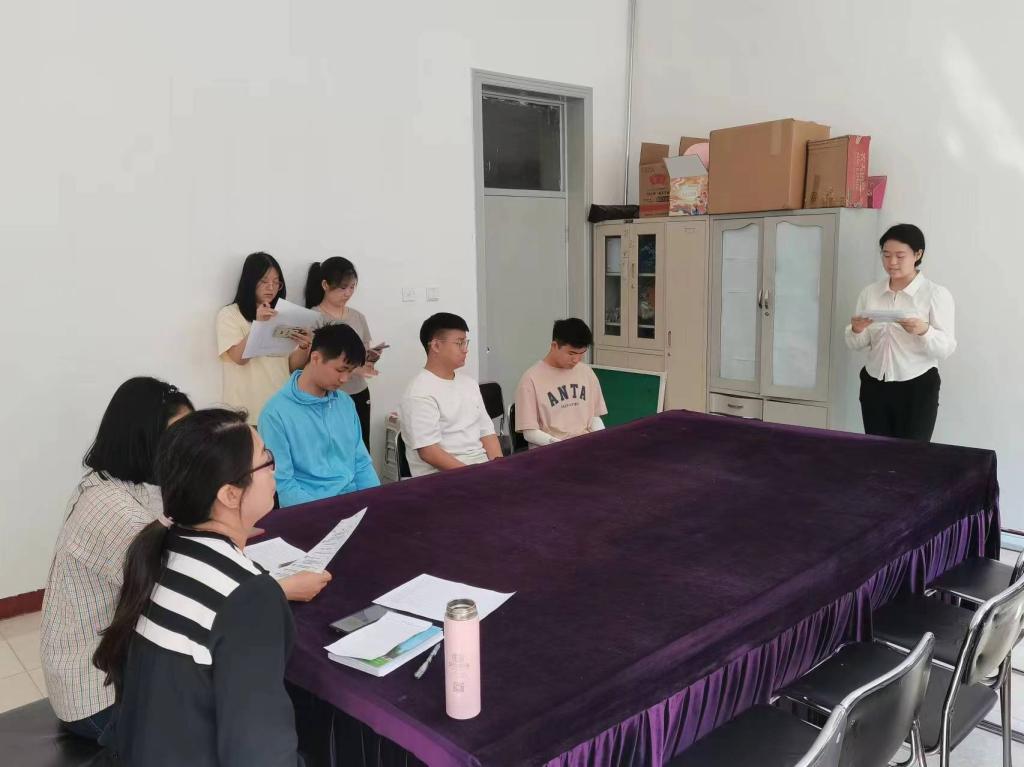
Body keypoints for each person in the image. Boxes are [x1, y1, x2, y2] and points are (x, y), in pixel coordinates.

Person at [94, 408, 324, 766]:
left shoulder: (160, 551)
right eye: (266, 459)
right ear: (230, 494)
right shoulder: (247, 595)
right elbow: (259, 753)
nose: (274, 469)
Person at [38, 377, 194, 742]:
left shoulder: (121, 483)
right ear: (142, 439)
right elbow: (179, 592)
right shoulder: (112, 508)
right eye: (176, 437)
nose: (188, 447)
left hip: (115, 666)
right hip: (96, 696)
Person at [845, 224, 956, 441]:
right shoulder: (870, 293)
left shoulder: (935, 294)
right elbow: (857, 343)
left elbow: (946, 348)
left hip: (917, 385)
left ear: (918, 254)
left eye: (900, 256)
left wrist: (924, 331)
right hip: (874, 384)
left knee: (912, 454)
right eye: (886, 255)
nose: (892, 262)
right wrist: (857, 330)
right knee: (877, 452)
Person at [259, 323, 380, 507]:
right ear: (315, 358)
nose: (344, 379)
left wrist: (377, 502)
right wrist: (324, 514)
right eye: (340, 370)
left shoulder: (345, 403)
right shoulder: (275, 414)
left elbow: (362, 464)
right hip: (310, 510)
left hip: (354, 503)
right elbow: (284, 485)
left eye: (350, 371)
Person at [399, 313, 502, 476]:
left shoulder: (469, 383)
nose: (465, 349)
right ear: (436, 346)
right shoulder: (418, 392)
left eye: (465, 342)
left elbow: (487, 432)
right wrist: (473, 475)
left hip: (480, 470)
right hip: (444, 478)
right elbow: (429, 452)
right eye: (459, 343)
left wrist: (499, 467)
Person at [217, 252, 313, 425]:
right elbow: (239, 358)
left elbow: (290, 367)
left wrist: (304, 347)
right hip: (246, 413)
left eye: (276, 282)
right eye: (264, 281)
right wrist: (259, 324)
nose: (271, 287)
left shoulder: (282, 315)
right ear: (250, 281)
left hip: (281, 408)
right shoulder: (230, 315)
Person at [305, 257, 382, 450]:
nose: (348, 293)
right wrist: (354, 369)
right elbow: (313, 363)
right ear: (325, 285)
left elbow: (362, 353)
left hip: (358, 391)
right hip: (328, 394)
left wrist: (370, 359)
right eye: (342, 287)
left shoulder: (358, 317)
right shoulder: (313, 318)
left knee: (362, 447)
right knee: (333, 448)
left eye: (352, 287)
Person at [514, 318, 608, 447]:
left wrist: (603, 439)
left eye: (582, 353)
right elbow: (529, 432)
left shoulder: (586, 372)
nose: (576, 359)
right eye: (571, 353)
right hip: (550, 449)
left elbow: (594, 417)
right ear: (554, 346)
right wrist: (562, 447)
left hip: (585, 446)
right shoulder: (530, 380)